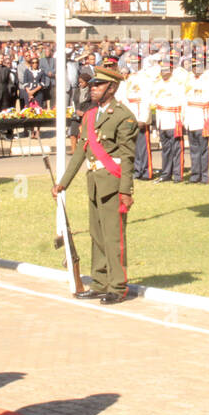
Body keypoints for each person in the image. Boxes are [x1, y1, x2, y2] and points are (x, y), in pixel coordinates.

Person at [52, 66, 136, 304]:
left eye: (99, 85)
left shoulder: (123, 116)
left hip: (113, 183)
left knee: (113, 237)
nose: (93, 88)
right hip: (94, 182)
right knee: (97, 235)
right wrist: (63, 183)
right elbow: (81, 151)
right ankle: (100, 283)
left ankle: (118, 286)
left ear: (112, 87)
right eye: (93, 85)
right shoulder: (90, 115)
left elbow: (128, 157)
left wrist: (125, 190)